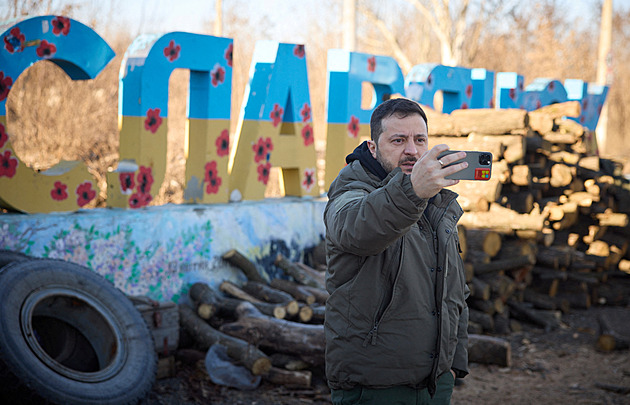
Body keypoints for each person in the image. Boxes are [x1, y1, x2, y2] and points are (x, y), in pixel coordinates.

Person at [323, 97, 470, 405]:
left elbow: (454, 292)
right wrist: (413, 191)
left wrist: (454, 365)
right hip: (374, 387)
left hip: (435, 383)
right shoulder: (351, 191)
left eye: (420, 140)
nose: (412, 151)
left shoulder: (436, 203)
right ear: (373, 148)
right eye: (398, 140)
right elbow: (356, 229)